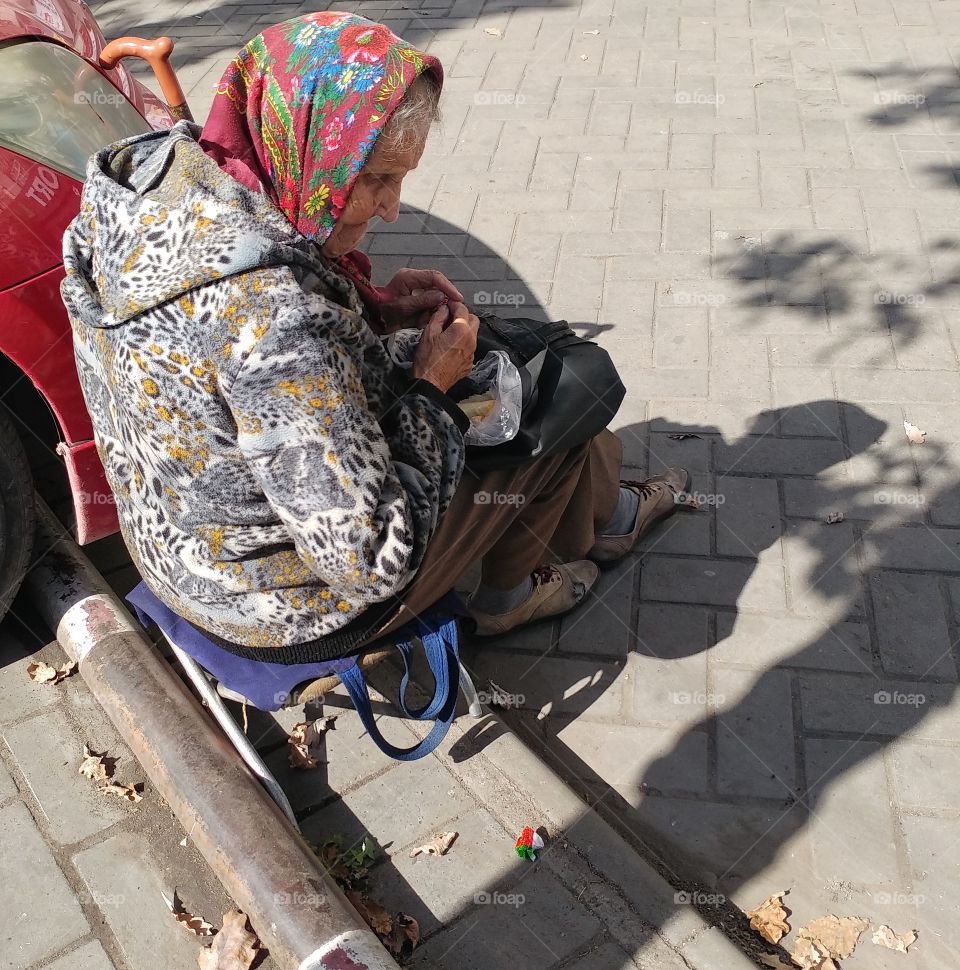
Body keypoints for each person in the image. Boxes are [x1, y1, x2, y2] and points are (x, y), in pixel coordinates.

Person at [61, 11, 686, 665]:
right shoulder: (277, 319)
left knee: (511, 386)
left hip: (179, 546)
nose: (391, 208)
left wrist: (372, 307)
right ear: (307, 149)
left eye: (402, 181)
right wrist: (432, 395)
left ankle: (607, 515)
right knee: (552, 411)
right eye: (377, 180)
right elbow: (371, 558)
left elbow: (233, 356)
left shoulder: (163, 178)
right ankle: (512, 598)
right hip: (279, 608)